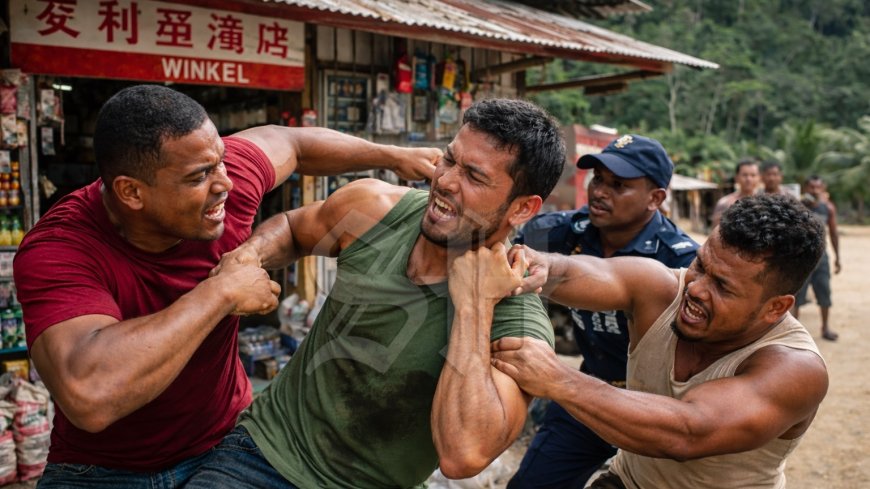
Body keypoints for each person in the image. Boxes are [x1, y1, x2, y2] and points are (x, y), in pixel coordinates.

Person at [13, 84, 440, 488]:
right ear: (131, 192)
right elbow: (89, 395)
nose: (226, 183)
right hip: (105, 470)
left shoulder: (220, 180)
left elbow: (289, 141)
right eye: (200, 175)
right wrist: (220, 291)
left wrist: (393, 155)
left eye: (220, 161)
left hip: (229, 445)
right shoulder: (59, 249)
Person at [184, 98, 566, 489]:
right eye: (449, 159)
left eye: (474, 176)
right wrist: (247, 256)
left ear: (522, 209)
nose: (446, 180)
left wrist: (475, 304)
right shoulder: (376, 210)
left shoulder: (517, 321)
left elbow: (463, 455)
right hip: (264, 454)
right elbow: (295, 228)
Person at [490, 193, 828, 489]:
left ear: (776, 308)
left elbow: (688, 432)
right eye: (700, 264)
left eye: (722, 287)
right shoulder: (662, 289)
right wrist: (541, 264)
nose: (695, 288)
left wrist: (557, 379)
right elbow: (590, 272)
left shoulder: (795, 369)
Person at [508, 134, 699, 488]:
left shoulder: (682, 261)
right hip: (587, 390)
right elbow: (501, 246)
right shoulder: (564, 232)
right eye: (597, 179)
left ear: (655, 198)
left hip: (657, 407)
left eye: (618, 185)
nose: (599, 191)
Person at [794, 175, 841, 341]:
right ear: (806, 188)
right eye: (811, 187)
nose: (814, 190)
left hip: (822, 258)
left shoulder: (827, 208)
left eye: (818, 187)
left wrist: (837, 257)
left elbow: (834, 233)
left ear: (823, 188)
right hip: (801, 259)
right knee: (796, 296)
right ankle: (792, 332)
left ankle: (825, 328)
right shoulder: (797, 206)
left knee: (824, 292)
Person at [710, 157, 760, 228]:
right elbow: (715, 233)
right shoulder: (724, 203)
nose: (749, 179)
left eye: (753, 175)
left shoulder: (766, 203)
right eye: (745, 175)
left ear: (759, 178)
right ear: (736, 177)